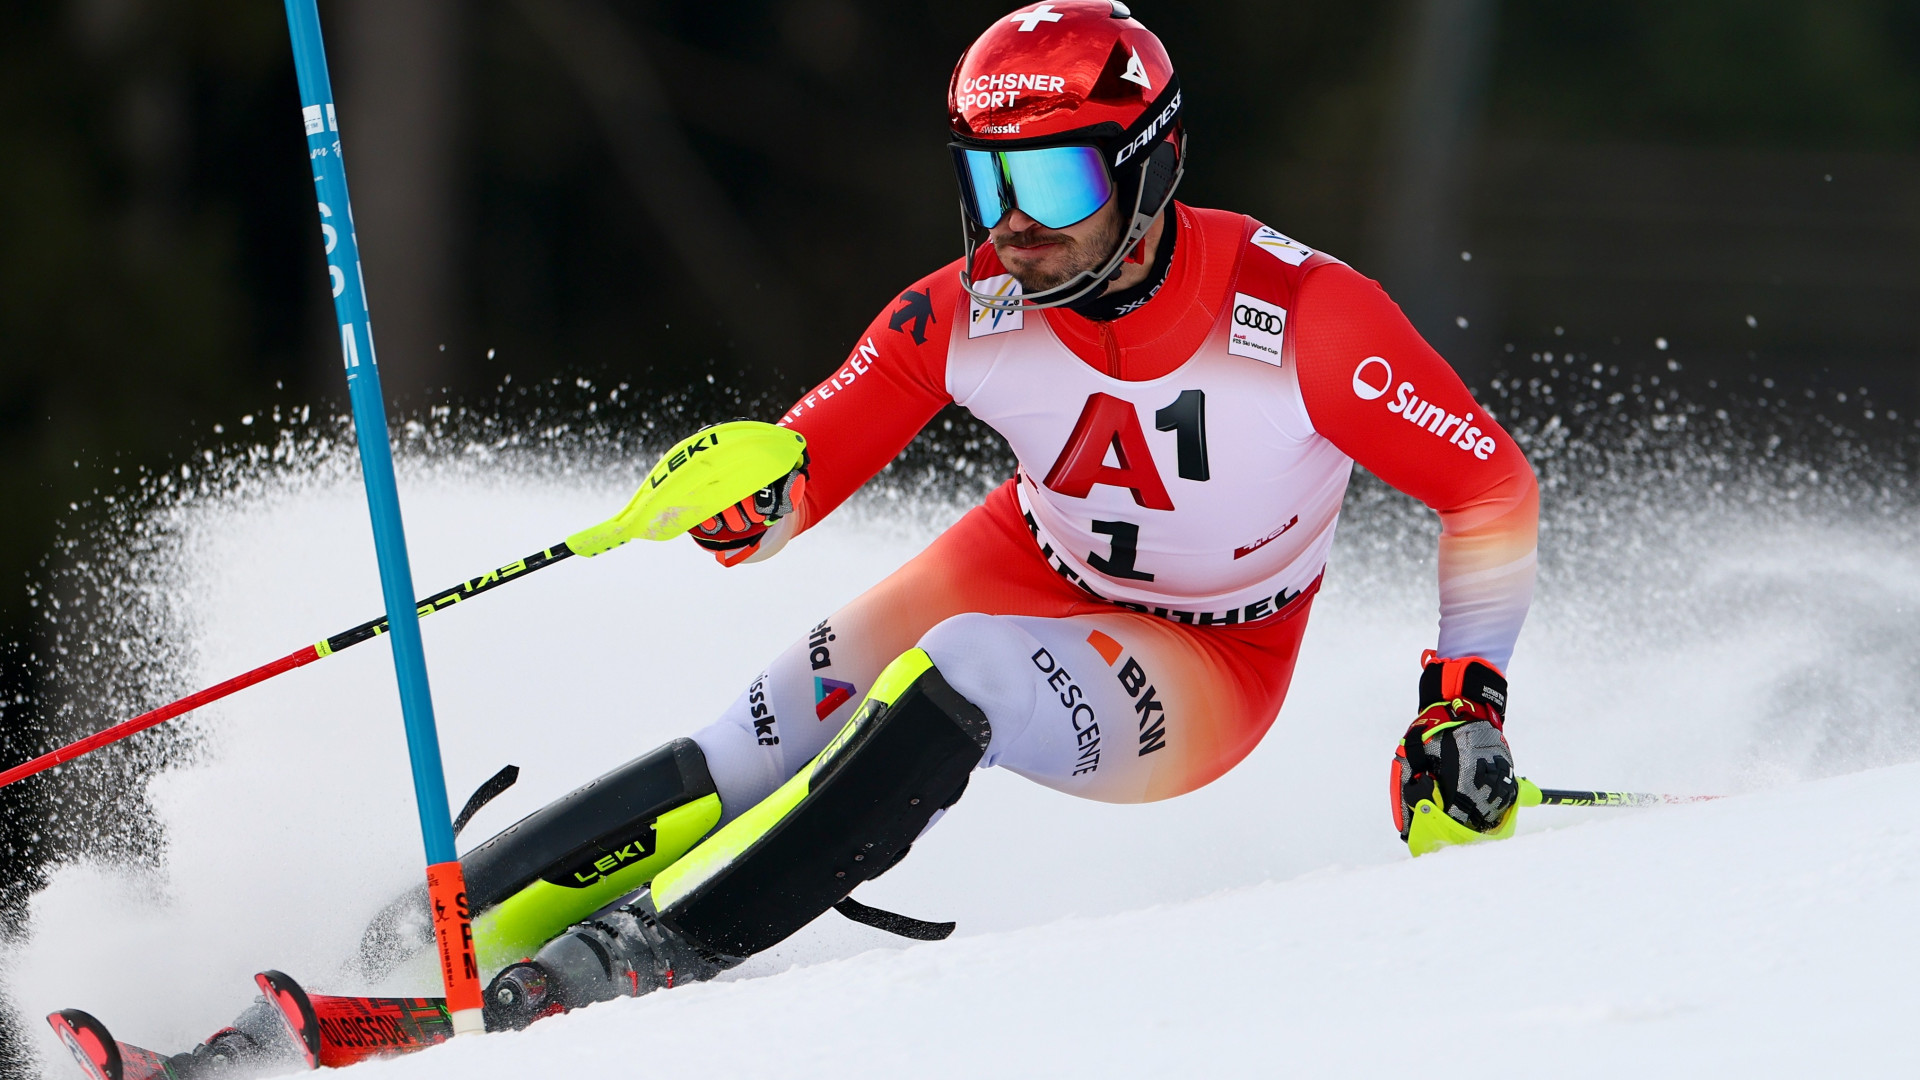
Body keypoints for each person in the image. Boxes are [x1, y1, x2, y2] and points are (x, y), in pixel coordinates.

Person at [146, 2, 1539, 1068]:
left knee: (965, 669)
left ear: (1152, 167)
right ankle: (390, 956)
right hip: (1030, 555)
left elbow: (1490, 490)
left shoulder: (1307, 320)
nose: (1017, 234)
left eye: (1055, 190)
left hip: (1212, 659)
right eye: (987, 188)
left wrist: (1459, 705)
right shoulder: (971, 308)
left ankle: (646, 955)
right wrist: (751, 495)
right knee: (761, 724)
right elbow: (809, 458)